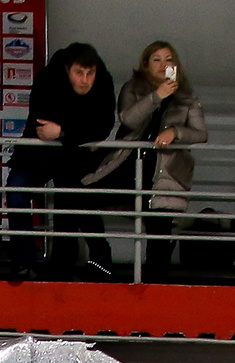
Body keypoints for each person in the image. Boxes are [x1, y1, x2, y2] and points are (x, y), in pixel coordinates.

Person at [7, 42, 119, 280]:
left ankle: (66, 267)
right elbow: (42, 124)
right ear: (68, 69)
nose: (85, 79)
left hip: (72, 155)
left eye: (90, 73)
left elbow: (103, 127)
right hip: (36, 151)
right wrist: (77, 130)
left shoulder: (104, 81)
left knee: (70, 200)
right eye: (79, 73)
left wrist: (63, 131)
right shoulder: (49, 77)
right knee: (16, 191)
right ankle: (24, 261)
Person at [96, 42, 205, 277]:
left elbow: (200, 133)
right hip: (127, 164)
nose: (162, 64)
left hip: (166, 173)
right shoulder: (132, 88)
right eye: (156, 59)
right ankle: (99, 261)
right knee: (83, 199)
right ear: (145, 64)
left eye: (168, 59)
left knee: (159, 232)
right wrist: (157, 96)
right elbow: (128, 120)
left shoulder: (186, 96)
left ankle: (155, 288)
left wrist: (176, 132)